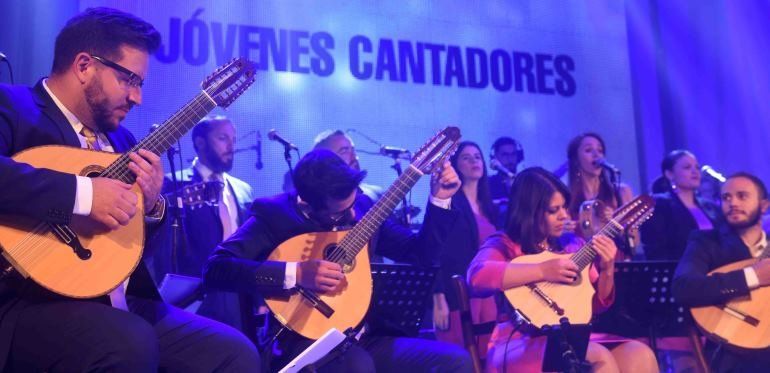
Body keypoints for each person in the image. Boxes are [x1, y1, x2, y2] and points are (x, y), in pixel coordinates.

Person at [0, 8, 259, 371]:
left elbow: (126, 249)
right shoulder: (13, 106)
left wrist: (150, 208)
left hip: (120, 301)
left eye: (140, 84)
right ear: (85, 65)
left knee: (236, 353)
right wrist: (87, 196)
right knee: (127, 341)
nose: (136, 97)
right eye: (129, 80)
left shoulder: (124, 142)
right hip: (28, 301)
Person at [203, 148, 473, 372]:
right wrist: (295, 273)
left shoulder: (364, 208)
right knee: (359, 366)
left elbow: (420, 254)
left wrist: (439, 200)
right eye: (339, 213)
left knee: (455, 360)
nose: (352, 215)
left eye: (353, 204)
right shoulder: (273, 214)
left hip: (365, 336)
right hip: (305, 341)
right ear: (308, 204)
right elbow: (216, 269)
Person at [467, 167, 658, 372]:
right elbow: (477, 277)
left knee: (640, 354)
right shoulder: (504, 244)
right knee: (598, 357)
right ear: (530, 211)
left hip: (572, 335)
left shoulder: (572, 245)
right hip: (519, 339)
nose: (564, 216)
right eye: (553, 210)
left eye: (564, 208)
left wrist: (607, 269)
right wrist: (542, 270)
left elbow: (595, 306)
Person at [672, 172, 770, 371]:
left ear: (764, 205)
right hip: (734, 345)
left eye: (742, 196)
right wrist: (752, 276)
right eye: (726, 197)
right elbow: (683, 287)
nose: (733, 202)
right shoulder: (705, 242)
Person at [149, 116, 254, 280]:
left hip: (239, 287)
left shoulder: (244, 190)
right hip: (194, 292)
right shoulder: (173, 183)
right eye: (222, 138)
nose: (231, 146)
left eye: (233, 139)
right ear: (200, 142)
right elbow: (163, 248)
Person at [432, 142, 498, 355]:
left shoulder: (490, 207)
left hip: (487, 295)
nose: (474, 161)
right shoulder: (447, 202)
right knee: (459, 358)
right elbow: (436, 250)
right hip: (456, 294)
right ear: (456, 166)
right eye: (466, 158)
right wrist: (438, 296)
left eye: (477, 157)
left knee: (488, 357)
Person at [641, 150, 722, 261]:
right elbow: (656, 249)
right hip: (680, 272)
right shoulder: (659, 204)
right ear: (670, 174)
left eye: (697, 167)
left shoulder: (711, 207)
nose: (695, 172)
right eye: (687, 167)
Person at [566, 133, 635, 259]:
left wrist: (618, 223)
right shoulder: (566, 197)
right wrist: (562, 232)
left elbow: (634, 243)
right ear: (576, 159)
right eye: (588, 150)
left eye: (600, 150)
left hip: (616, 264)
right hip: (584, 268)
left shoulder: (621, 192)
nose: (596, 155)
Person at [488, 136, 523, 227]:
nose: (510, 159)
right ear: (494, 158)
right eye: (505, 155)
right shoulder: (487, 184)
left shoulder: (525, 182)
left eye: (513, 154)